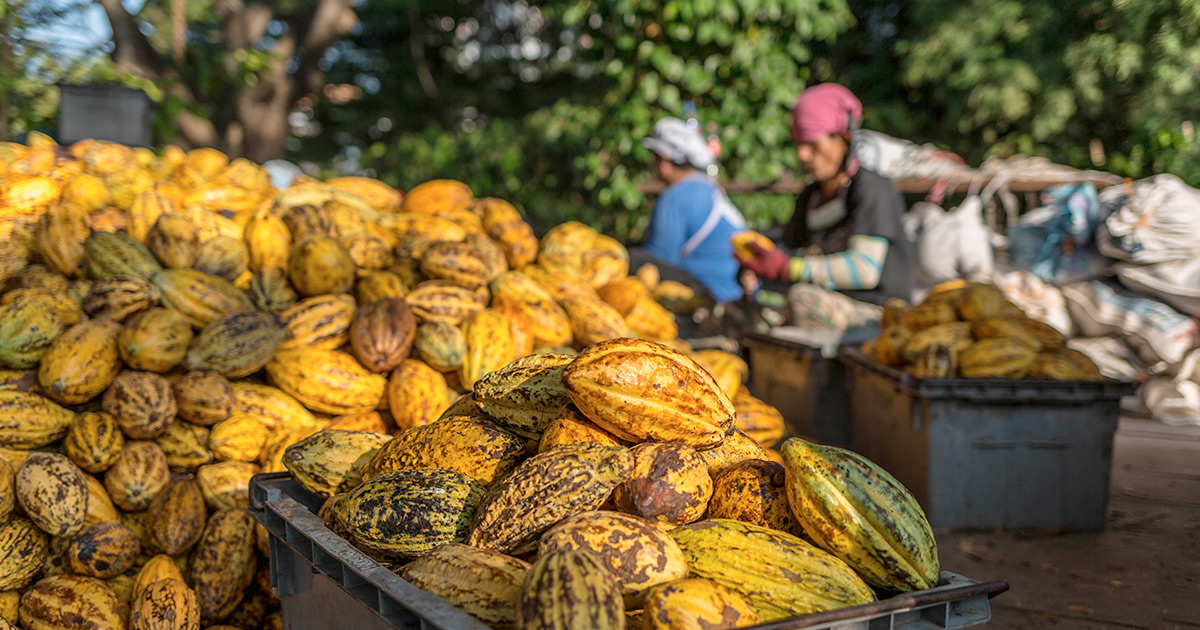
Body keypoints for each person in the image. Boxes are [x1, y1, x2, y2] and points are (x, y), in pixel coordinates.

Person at [738, 83, 913, 331]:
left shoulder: (873, 190)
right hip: (829, 301)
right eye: (798, 144)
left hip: (878, 313)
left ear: (845, 139)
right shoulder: (811, 196)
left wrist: (787, 267)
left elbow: (864, 269)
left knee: (802, 299)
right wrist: (757, 266)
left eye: (812, 145)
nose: (802, 155)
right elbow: (790, 249)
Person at [639, 117, 747, 304]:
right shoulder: (706, 187)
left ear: (664, 160)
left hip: (710, 293)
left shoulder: (674, 197)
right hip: (736, 290)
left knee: (635, 260)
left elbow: (657, 261)